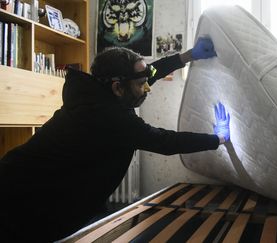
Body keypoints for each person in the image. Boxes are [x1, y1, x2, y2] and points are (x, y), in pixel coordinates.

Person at [0, 37, 230, 242]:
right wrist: (217, 138)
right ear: (118, 87)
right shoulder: (108, 117)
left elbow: (148, 72)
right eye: (141, 86)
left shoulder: (96, 93)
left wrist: (190, 55)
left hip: (29, 189)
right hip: (19, 202)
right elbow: (165, 142)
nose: (147, 88)